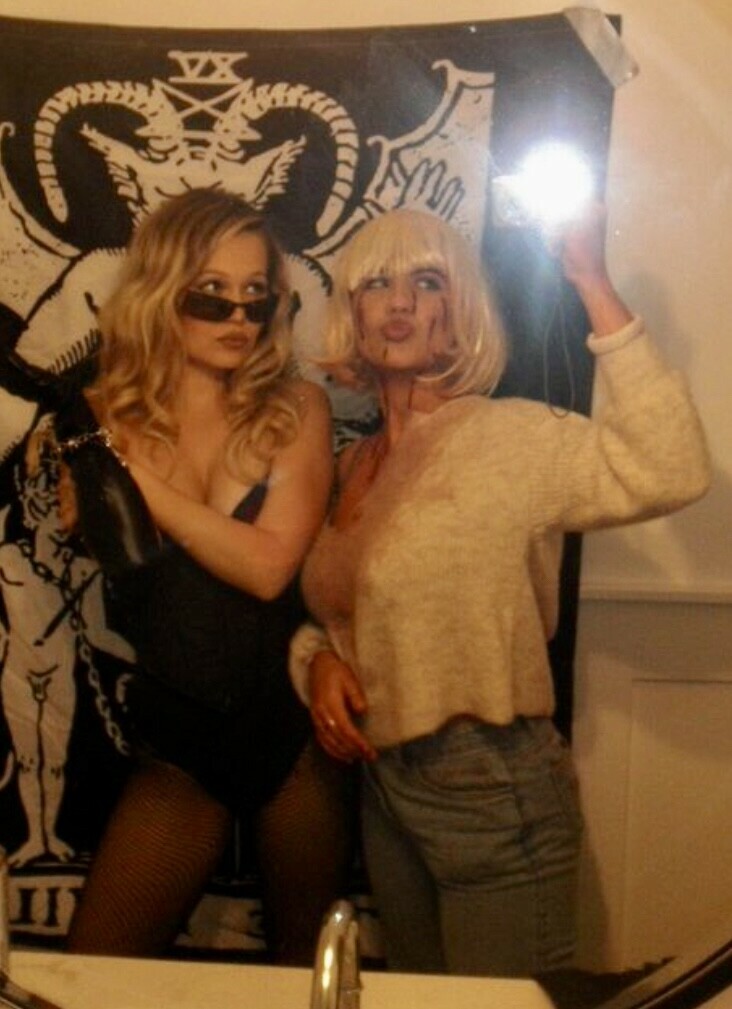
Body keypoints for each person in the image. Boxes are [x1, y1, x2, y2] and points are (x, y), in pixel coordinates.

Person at [290, 205, 711, 976]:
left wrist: (591, 280)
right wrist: (316, 662)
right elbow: (344, 614)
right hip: (384, 785)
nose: (400, 302)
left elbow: (672, 466)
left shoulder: (510, 436)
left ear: (462, 314)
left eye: (428, 282)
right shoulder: (355, 463)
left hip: (491, 785)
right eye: (377, 284)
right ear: (352, 311)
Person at [62, 188, 352, 963]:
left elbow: (267, 568)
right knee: (92, 977)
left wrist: (135, 483)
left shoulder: (296, 407)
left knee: (308, 977)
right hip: (179, 743)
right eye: (211, 296)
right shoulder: (97, 415)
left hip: (293, 736)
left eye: (257, 298)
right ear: (162, 293)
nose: (238, 319)